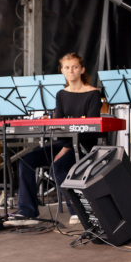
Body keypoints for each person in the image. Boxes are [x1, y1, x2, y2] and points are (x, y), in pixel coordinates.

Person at [9, 52, 102, 226]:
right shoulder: (61, 94)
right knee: (26, 161)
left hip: (83, 147)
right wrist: (49, 121)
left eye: (75, 67)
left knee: (58, 166)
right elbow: (59, 127)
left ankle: (77, 211)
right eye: (67, 67)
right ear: (62, 71)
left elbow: (90, 129)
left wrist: (66, 147)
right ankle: (27, 212)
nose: (71, 71)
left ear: (82, 69)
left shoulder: (93, 94)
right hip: (64, 144)